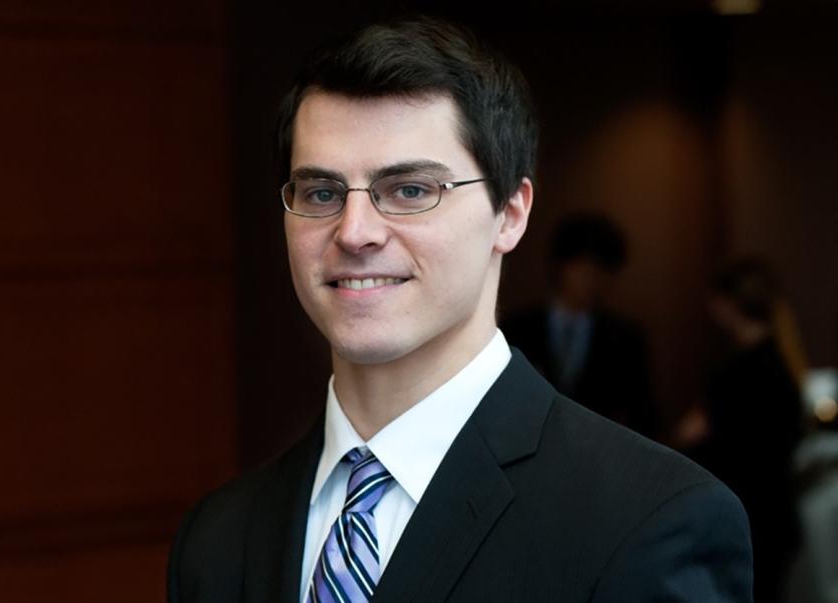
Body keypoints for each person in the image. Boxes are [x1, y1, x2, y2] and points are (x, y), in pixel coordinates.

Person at [167, 16, 752, 603]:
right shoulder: (217, 539)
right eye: (321, 193)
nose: (355, 232)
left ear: (510, 214)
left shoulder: (648, 521)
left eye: (411, 190)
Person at [688, 259, 805, 602]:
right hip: (771, 514)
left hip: (748, 514)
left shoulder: (741, 371)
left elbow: (727, 447)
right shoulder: (779, 361)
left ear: (727, 304)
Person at [502, 214, 660, 439]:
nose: (593, 281)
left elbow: (643, 413)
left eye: (603, 272)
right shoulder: (518, 329)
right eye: (585, 269)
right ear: (561, 267)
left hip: (599, 451)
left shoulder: (625, 337)